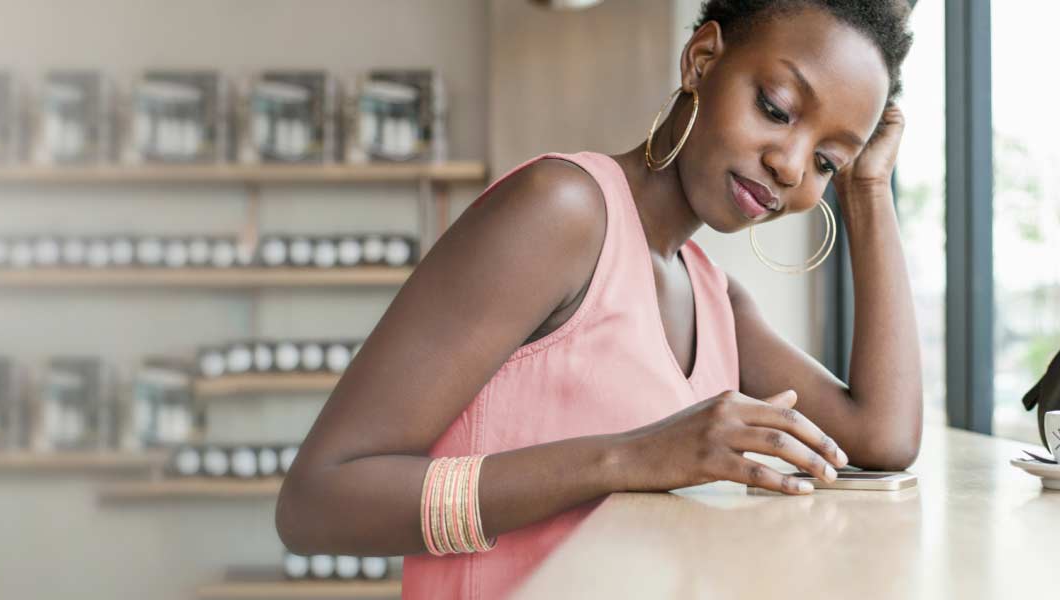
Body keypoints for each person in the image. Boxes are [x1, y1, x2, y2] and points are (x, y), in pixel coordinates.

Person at [276, 1, 919, 597]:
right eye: (776, 108)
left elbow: (881, 438)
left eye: (827, 161)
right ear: (702, 59)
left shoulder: (714, 295)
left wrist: (869, 186)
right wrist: (628, 456)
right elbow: (316, 504)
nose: (792, 165)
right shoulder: (560, 211)